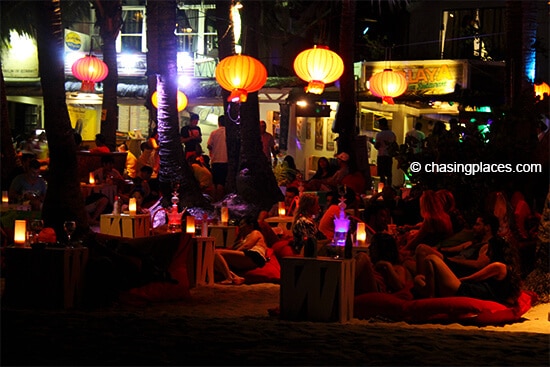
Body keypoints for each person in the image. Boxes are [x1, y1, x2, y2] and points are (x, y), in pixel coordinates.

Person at [413, 235, 522, 306]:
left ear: (496, 251)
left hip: (463, 290)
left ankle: (430, 300)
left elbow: (472, 278)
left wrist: (454, 280)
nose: (488, 253)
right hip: (465, 289)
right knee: (418, 279)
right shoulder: (509, 269)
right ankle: (431, 295)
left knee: (430, 258)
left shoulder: (498, 266)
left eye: (490, 249)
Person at [414, 213, 499, 278]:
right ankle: (420, 283)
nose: (473, 227)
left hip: (455, 269)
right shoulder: (471, 243)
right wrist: (437, 248)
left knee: (422, 249)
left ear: (487, 227)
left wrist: (452, 260)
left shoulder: (487, 246)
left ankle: (424, 287)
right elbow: (448, 250)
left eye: (477, 224)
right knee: (407, 264)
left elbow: (478, 265)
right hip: (449, 262)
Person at [214, 216, 269, 285]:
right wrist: (238, 238)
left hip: (255, 255)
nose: (240, 227)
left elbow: (247, 246)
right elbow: (234, 247)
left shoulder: (255, 232)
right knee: (214, 259)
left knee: (216, 253)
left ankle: (229, 278)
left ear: (251, 225)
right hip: (247, 255)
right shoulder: (244, 238)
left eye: (242, 224)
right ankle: (235, 277)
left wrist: (235, 252)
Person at [207, 115, 228, 201]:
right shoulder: (229, 133)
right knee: (222, 183)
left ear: (218, 123)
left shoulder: (214, 133)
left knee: (215, 183)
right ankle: (220, 200)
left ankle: (214, 200)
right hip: (225, 160)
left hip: (215, 160)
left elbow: (209, 146)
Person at [374, 118, 396, 187]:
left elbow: (377, 146)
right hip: (389, 156)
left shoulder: (379, 134)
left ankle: (383, 188)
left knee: (382, 174)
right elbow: (394, 145)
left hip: (381, 155)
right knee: (389, 173)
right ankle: (389, 187)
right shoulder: (392, 134)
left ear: (381, 125)